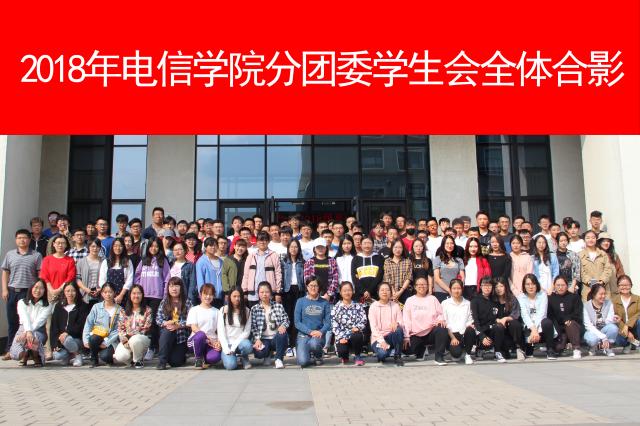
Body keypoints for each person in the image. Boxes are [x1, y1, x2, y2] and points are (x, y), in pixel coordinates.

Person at [2, 229, 42, 360]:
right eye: (19, 238)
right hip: (12, 291)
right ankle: (10, 350)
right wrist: (4, 289)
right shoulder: (10, 254)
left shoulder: (36, 255)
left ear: (29, 240)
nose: (22, 240)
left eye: (24, 238)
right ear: (16, 240)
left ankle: (27, 351)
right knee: (12, 322)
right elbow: (5, 273)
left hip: (27, 293)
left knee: (26, 322)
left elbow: (39, 275)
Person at [135, 236, 170, 360]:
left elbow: (167, 278)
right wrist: (138, 290)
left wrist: (165, 294)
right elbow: (137, 276)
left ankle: (153, 347)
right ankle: (142, 346)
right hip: (144, 296)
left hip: (157, 296)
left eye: (156, 246)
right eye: (151, 246)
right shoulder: (144, 260)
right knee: (143, 321)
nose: (154, 248)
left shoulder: (163, 261)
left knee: (154, 323)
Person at [9, 280, 52, 366]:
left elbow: (39, 321)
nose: (38, 290)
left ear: (45, 291)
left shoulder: (47, 305)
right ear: (31, 288)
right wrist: (27, 331)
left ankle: (36, 357)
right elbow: (25, 318)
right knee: (17, 354)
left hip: (39, 330)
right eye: (36, 287)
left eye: (41, 288)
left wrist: (27, 333)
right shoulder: (21, 302)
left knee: (33, 340)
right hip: (23, 328)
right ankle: (25, 354)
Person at [518, 274, 557, 359]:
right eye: (528, 284)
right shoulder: (521, 297)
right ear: (524, 286)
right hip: (529, 326)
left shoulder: (543, 295)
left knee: (547, 322)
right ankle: (529, 347)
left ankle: (550, 350)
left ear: (537, 285)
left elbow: (542, 314)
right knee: (524, 326)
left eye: (533, 284)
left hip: (540, 325)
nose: (530, 287)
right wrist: (533, 329)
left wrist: (535, 330)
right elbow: (524, 315)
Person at [156, 277, 192, 370]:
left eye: (176, 286)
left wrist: (179, 325)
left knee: (175, 362)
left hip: (181, 336)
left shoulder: (187, 302)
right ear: (168, 288)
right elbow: (158, 319)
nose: (174, 289)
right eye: (171, 286)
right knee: (168, 330)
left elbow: (191, 320)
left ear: (181, 288)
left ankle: (179, 356)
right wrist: (165, 322)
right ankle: (161, 362)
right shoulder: (164, 302)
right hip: (167, 334)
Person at [295, 276, 331, 367]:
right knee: (303, 362)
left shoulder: (324, 302)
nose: (313, 288)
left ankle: (318, 356)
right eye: (311, 285)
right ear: (307, 287)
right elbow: (297, 322)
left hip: (318, 335)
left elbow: (328, 323)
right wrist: (310, 332)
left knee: (314, 344)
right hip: (303, 335)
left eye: (315, 286)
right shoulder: (300, 301)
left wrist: (321, 331)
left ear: (319, 287)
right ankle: (308, 355)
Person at [50, 282, 89, 366]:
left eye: (73, 291)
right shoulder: (58, 306)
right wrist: (55, 344)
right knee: (57, 355)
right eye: (67, 291)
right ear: (64, 292)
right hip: (61, 340)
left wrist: (67, 333)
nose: (70, 293)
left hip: (77, 339)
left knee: (68, 340)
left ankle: (77, 355)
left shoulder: (83, 306)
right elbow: (54, 327)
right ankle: (69, 356)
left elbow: (81, 325)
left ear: (77, 292)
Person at [252, 281, 290, 369]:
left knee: (282, 334)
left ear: (271, 293)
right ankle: (267, 355)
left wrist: (283, 325)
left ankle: (278, 359)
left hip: (275, 338)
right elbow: (253, 327)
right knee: (259, 353)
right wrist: (257, 339)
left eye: (267, 292)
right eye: (262, 292)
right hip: (263, 339)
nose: (264, 294)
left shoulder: (278, 306)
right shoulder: (254, 308)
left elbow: (286, 320)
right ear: (258, 294)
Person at [82, 282, 121, 367]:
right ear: (102, 293)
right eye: (105, 292)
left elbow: (118, 329)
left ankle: (107, 357)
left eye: (110, 292)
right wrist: (85, 339)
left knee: (105, 356)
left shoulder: (119, 309)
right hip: (98, 335)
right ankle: (94, 359)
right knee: (93, 339)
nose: (108, 294)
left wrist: (106, 342)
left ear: (114, 293)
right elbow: (88, 323)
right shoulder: (96, 307)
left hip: (111, 339)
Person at [114, 284, 153, 368]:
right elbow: (120, 328)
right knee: (120, 356)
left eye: (139, 293)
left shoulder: (148, 310)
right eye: (134, 293)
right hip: (126, 340)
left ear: (142, 295)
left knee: (135, 340)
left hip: (141, 340)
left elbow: (145, 329)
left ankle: (138, 360)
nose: (136, 296)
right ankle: (131, 361)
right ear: (130, 295)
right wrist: (124, 340)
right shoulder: (123, 311)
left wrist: (129, 336)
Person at [242, 232, 283, 308]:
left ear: (268, 241)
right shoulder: (251, 256)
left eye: (264, 240)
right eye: (260, 240)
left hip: (268, 292)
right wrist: (244, 291)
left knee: (268, 313)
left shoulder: (274, 255)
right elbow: (246, 274)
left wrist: (278, 292)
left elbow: (278, 274)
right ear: (257, 241)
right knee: (254, 313)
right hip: (253, 293)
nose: (262, 242)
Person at [186, 283, 222, 369]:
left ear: (213, 296)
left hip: (212, 342)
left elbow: (220, 329)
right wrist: (207, 338)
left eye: (210, 294)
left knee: (214, 358)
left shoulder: (217, 311)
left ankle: (205, 358)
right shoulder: (194, 310)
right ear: (200, 295)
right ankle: (198, 359)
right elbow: (194, 327)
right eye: (205, 294)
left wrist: (219, 342)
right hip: (196, 340)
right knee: (201, 335)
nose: (208, 297)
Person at [331, 281, 367, 366]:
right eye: (344, 291)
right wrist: (341, 337)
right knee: (342, 351)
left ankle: (357, 356)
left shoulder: (358, 306)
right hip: (342, 336)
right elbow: (334, 325)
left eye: (349, 290)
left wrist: (358, 327)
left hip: (354, 334)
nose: (347, 292)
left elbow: (363, 320)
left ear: (353, 291)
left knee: (357, 335)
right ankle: (345, 356)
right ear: (340, 292)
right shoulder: (336, 307)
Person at [369, 282, 405, 366]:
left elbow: (402, 323)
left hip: (391, 336)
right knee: (382, 354)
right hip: (377, 339)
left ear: (390, 293)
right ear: (378, 292)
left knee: (399, 330)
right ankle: (386, 352)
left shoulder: (395, 306)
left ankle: (397, 355)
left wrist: (397, 323)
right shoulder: (373, 307)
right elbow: (373, 327)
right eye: (382, 290)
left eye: (387, 290)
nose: (385, 292)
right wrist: (382, 341)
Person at [547, 276, 583, 359]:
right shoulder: (550, 298)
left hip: (572, 326)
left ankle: (576, 349)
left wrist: (569, 318)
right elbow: (550, 316)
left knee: (571, 324)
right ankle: (563, 345)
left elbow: (578, 313)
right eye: (558, 285)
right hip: (559, 328)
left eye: (563, 285)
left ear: (567, 285)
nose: (560, 287)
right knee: (558, 347)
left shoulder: (574, 297)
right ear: (554, 286)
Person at [441, 279, 475, 365]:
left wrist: (469, 326)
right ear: (450, 289)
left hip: (464, 334)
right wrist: (452, 337)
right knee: (456, 354)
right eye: (454, 288)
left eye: (459, 288)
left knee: (471, 330)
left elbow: (470, 320)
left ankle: (468, 354)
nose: (456, 291)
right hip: (451, 335)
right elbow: (444, 322)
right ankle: (454, 350)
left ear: (462, 289)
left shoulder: (468, 303)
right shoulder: (445, 303)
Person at [218, 287, 252, 370]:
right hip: (227, 344)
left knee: (247, 346)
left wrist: (234, 346)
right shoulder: (223, 310)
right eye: (234, 296)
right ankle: (234, 358)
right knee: (230, 366)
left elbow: (246, 332)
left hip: (240, 342)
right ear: (230, 297)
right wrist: (226, 348)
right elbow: (220, 331)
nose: (237, 299)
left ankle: (244, 357)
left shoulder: (247, 311)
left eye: (239, 296)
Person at [281, 239, 305, 357]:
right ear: (288, 248)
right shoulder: (283, 262)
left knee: (297, 318)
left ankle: (295, 344)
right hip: (287, 291)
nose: (293, 249)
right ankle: (288, 346)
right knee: (288, 317)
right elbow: (280, 277)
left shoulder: (303, 262)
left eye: (296, 247)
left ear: (299, 248)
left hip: (299, 291)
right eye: (291, 247)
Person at [493, 277, 525, 361]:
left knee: (515, 323)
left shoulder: (512, 299)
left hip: (512, 331)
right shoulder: (492, 300)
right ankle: (500, 350)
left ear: (505, 287)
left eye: (501, 286)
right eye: (496, 287)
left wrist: (506, 318)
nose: (499, 289)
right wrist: (498, 320)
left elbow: (516, 314)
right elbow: (489, 316)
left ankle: (519, 348)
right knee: (498, 326)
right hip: (499, 331)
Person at [583, 283, 618, 357]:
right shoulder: (586, 306)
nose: (603, 296)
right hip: (592, 331)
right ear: (593, 295)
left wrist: (613, 320)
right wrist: (603, 337)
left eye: (604, 294)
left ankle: (608, 347)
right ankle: (594, 347)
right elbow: (588, 326)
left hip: (604, 329)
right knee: (592, 339)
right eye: (601, 294)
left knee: (613, 328)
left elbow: (609, 321)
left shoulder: (609, 303)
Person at [40, 234, 76, 303]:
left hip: (65, 292)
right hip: (49, 292)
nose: (60, 245)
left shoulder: (70, 260)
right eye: (58, 243)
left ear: (66, 245)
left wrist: (59, 289)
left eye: (63, 243)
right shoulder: (47, 259)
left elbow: (70, 277)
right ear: (53, 244)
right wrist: (51, 290)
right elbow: (44, 276)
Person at [579, 231, 614, 301]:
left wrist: (602, 281)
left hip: (604, 289)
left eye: (593, 237)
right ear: (584, 240)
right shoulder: (580, 255)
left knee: (605, 307)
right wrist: (591, 282)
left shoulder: (603, 254)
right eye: (588, 238)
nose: (591, 240)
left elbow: (608, 269)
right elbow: (581, 272)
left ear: (596, 239)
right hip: (588, 290)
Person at [99, 237, 134, 306]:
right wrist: (107, 295)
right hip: (107, 295)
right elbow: (102, 280)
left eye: (120, 246)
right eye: (115, 246)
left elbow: (129, 281)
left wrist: (121, 295)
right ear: (112, 247)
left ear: (123, 247)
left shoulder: (128, 261)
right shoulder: (106, 262)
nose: (118, 248)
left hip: (123, 296)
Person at [303, 237, 339, 303]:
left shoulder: (332, 261)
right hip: (312, 296)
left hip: (329, 297)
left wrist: (328, 294)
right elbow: (307, 280)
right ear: (314, 249)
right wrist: (314, 293)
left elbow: (335, 279)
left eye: (322, 247)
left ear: (326, 248)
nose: (320, 249)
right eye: (318, 247)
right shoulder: (309, 262)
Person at [351, 237, 385, 305]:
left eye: (369, 243)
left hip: (376, 293)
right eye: (365, 243)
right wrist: (364, 291)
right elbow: (354, 277)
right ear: (361, 245)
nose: (367, 245)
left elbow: (379, 276)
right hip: (360, 295)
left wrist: (369, 291)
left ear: (373, 244)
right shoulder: (356, 259)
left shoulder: (379, 258)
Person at [612, 275, 640, 353]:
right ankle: (628, 344)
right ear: (618, 286)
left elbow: (639, 313)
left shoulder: (638, 299)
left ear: (631, 285)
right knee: (618, 338)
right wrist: (626, 330)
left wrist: (627, 325)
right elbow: (615, 318)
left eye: (627, 285)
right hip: (621, 328)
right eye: (622, 285)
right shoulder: (614, 301)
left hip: (635, 327)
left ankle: (637, 341)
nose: (624, 287)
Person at [432, 236, 465, 302]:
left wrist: (457, 290)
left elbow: (462, 278)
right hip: (440, 292)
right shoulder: (437, 259)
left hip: (456, 292)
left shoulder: (459, 260)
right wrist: (449, 290)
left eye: (452, 243)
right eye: (447, 243)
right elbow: (437, 278)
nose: (449, 245)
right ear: (443, 245)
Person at [383, 240, 413, 305]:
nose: (397, 250)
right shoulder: (387, 261)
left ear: (403, 249)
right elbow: (387, 278)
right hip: (391, 293)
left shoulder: (407, 261)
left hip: (405, 292)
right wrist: (394, 293)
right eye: (395, 247)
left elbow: (409, 278)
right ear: (392, 248)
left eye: (400, 247)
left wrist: (400, 292)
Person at [76, 239, 103, 306]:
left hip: (100, 295)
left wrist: (100, 289)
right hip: (84, 295)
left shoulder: (103, 261)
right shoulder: (81, 261)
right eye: (92, 246)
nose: (95, 248)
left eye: (97, 246)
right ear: (88, 247)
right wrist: (85, 289)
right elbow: (77, 278)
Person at [169, 241, 197, 305]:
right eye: (175, 250)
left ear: (185, 250)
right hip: (171, 297)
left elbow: (192, 284)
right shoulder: (170, 264)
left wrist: (190, 300)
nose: (177, 252)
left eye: (180, 249)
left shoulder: (190, 265)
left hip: (184, 297)